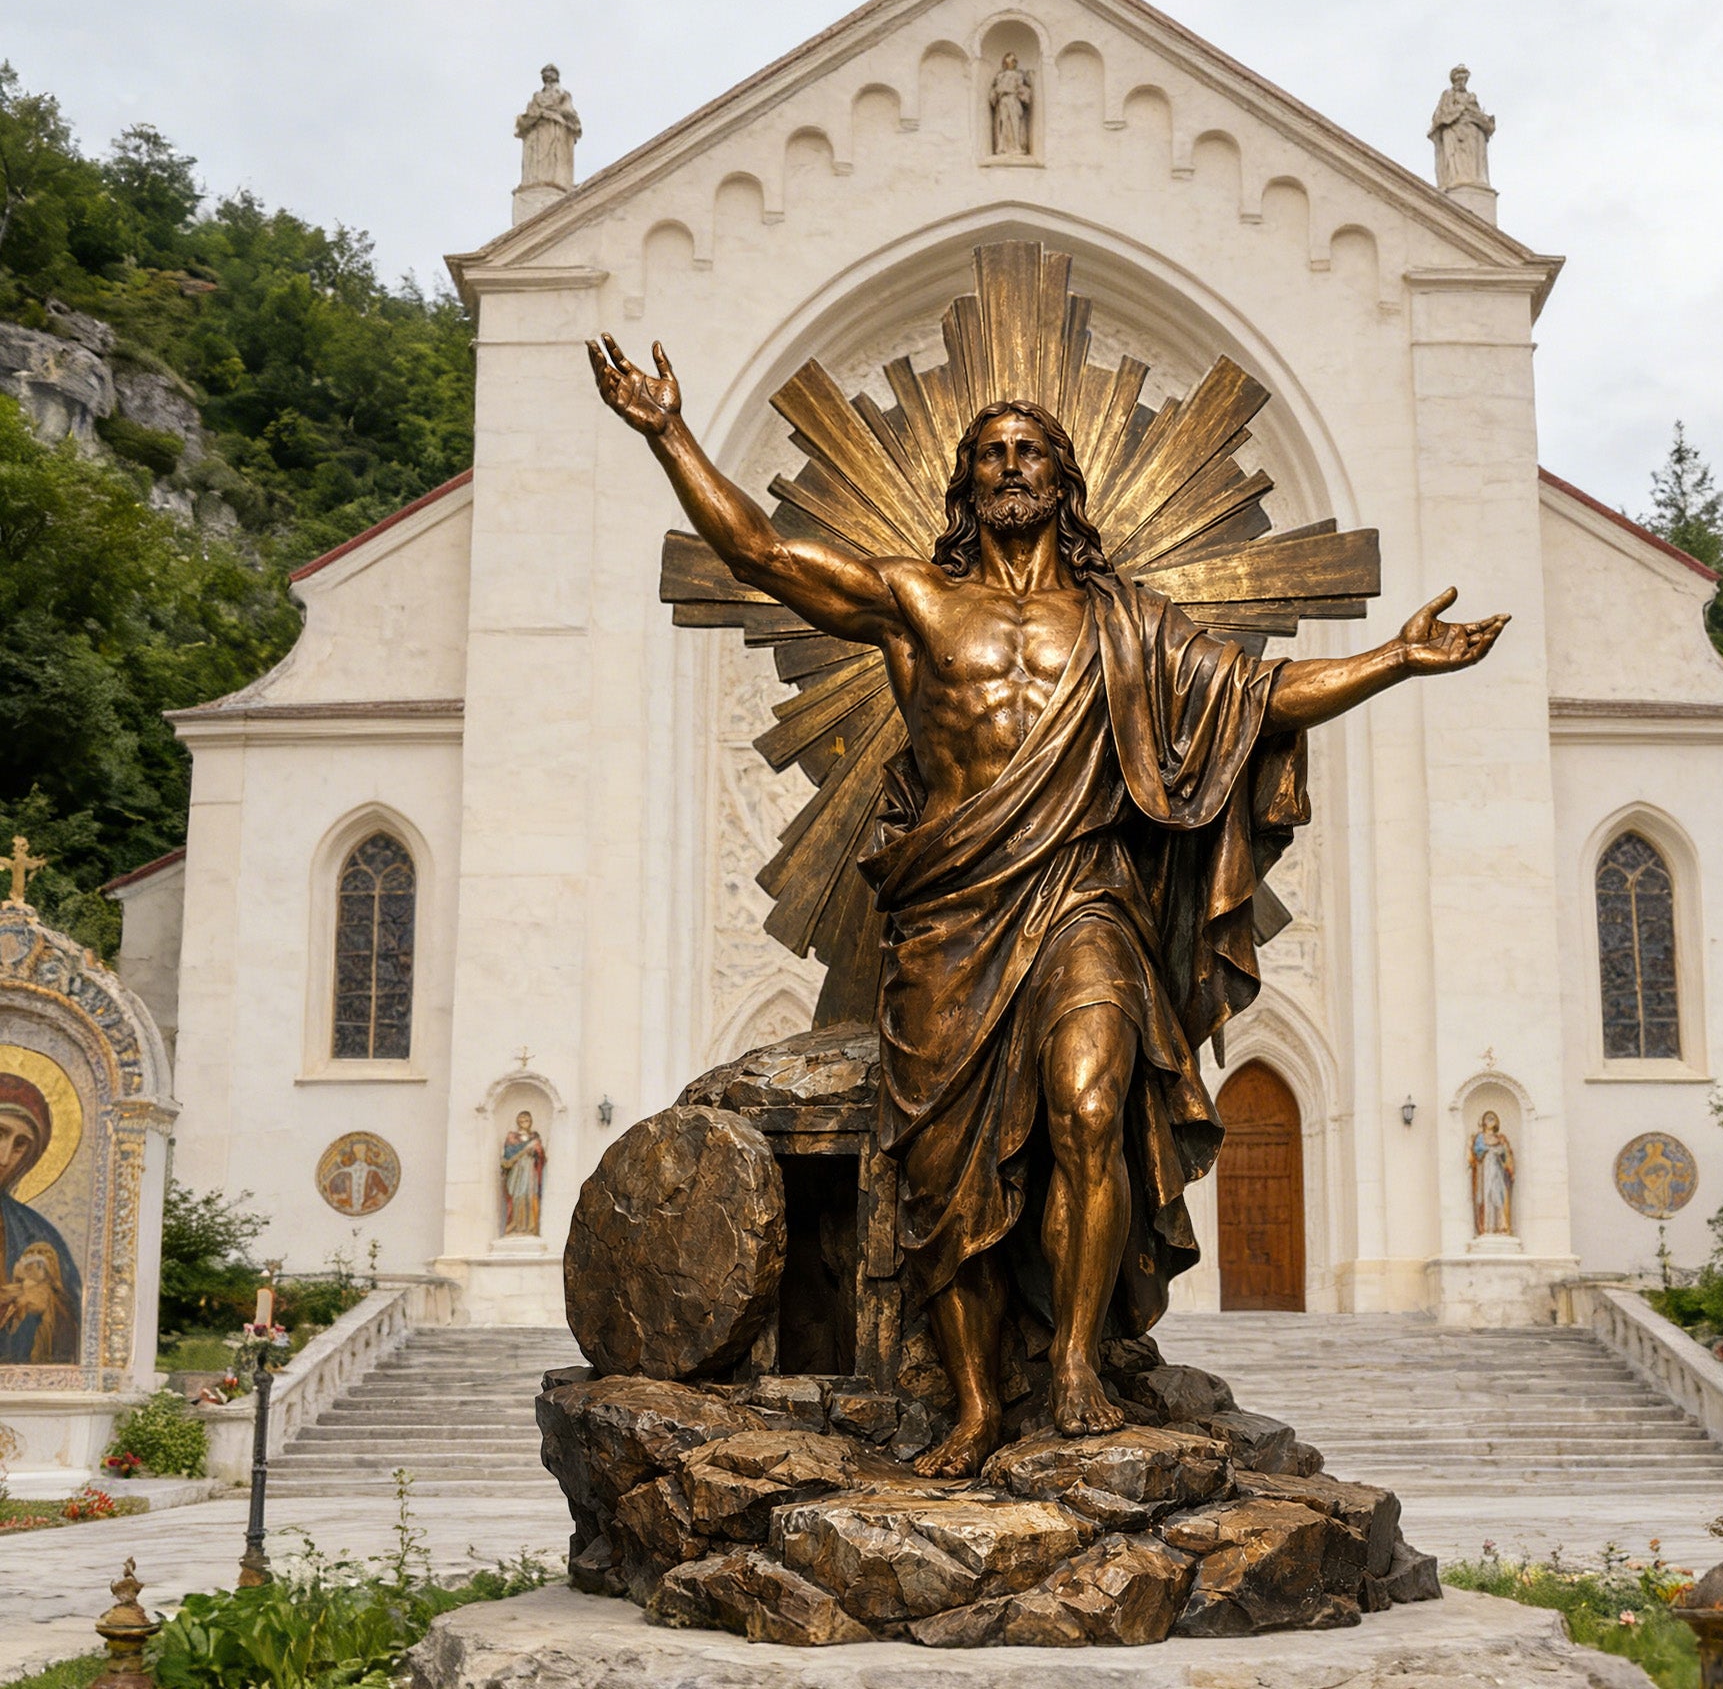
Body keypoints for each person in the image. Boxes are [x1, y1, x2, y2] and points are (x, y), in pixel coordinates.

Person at [588, 324, 1505, 1472]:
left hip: (1085, 895)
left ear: (1063, 478)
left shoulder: (1129, 624)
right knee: (945, 1170)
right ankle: (974, 1402)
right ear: (966, 481)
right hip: (948, 913)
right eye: (991, 451)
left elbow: (1259, 697)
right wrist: (668, 431)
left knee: (1086, 1108)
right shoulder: (916, 600)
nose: (1011, 465)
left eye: (1030, 449)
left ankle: (1073, 1357)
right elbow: (765, 553)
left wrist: (1394, 662)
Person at [0, 1074, 81, 1364]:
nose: (5, 1157)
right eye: (0, 1133)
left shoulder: (35, 1233)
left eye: (20, 1144)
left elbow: (79, 1336)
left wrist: (49, 1308)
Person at [1428, 65, 1495, 191]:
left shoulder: (1471, 96)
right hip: (1453, 131)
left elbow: (1477, 112)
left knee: (1471, 161)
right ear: (1454, 80)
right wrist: (1458, 111)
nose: (1461, 81)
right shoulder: (1447, 95)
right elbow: (1440, 115)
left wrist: (1481, 118)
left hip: (1472, 131)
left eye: (1464, 79)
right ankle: (1455, 180)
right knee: (1455, 160)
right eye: (1458, 79)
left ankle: (1472, 180)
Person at [1469, 1110, 1514, 1237]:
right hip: (1485, 1170)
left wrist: (1500, 1151)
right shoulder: (1480, 1138)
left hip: (1498, 1171)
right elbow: (1477, 1152)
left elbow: (1506, 1156)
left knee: (1498, 1196)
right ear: (1483, 1122)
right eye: (1488, 1118)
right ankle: (1487, 1227)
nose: (1490, 1121)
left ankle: (1501, 1226)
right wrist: (1489, 1150)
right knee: (1486, 1195)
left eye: (1493, 1119)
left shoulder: (1500, 1138)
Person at [502, 1110, 547, 1236]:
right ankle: (515, 1225)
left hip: (530, 1172)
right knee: (517, 1196)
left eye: (526, 1120)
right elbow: (507, 1156)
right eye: (521, 1120)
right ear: (518, 1122)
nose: (524, 1123)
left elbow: (541, 1156)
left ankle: (530, 1227)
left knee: (530, 1195)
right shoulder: (512, 1137)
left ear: (530, 1122)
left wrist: (536, 1151)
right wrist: (524, 1150)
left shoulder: (534, 1137)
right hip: (516, 1172)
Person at [990, 53, 1032, 155]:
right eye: (1012, 61)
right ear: (1006, 62)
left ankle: (1017, 145)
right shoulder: (1000, 75)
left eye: (1015, 61)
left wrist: (1022, 92)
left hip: (1013, 99)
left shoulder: (1018, 75)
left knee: (1015, 122)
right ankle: (1002, 146)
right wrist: (995, 93)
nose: (1014, 63)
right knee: (1003, 123)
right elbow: (995, 90)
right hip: (1003, 101)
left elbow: (1023, 88)